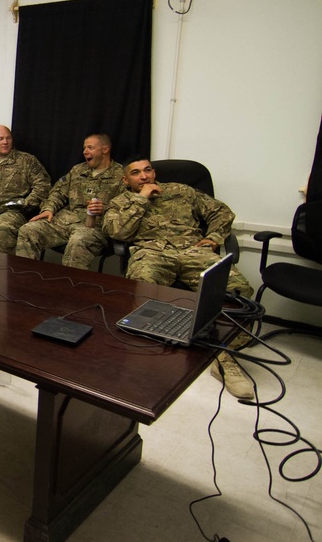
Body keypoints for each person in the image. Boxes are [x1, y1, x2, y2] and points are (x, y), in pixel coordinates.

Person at [103, 156, 256, 399]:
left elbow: (221, 212)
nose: (144, 176)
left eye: (148, 170)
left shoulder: (181, 191)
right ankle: (148, 359)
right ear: (125, 179)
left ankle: (222, 354)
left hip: (193, 250)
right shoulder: (120, 202)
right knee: (139, 291)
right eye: (136, 173)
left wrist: (214, 237)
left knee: (240, 293)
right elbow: (117, 232)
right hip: (152, 252)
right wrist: (141, 199)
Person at [15, 134, 124, 268]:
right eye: (84, 148)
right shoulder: (77, 170)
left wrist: (105, 209)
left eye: (90, 147)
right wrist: (49, 209)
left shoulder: (121, 175)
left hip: (95, 226)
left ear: (105, 149)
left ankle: (71, 288)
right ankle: (25, 281)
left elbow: (127, 207)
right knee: (28, 230)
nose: (85, 152)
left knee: (78, 241)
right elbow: (58, 192)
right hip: (66, 221)